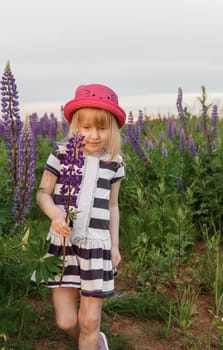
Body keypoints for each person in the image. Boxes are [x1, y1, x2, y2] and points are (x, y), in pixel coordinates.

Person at [33, 84, 126, 350]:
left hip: (96, 247)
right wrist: (55, 213)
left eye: (102, 128)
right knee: (65, 321)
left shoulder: (114, 162)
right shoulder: (61, 154)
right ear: (76, 126)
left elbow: (112, 206)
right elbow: (43, 193)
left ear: (113, 129)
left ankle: (91, 337)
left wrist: (115, 246)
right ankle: (96, 344)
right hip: (63, 246)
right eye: (86, 127)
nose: (94, 135)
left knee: (89, 321)